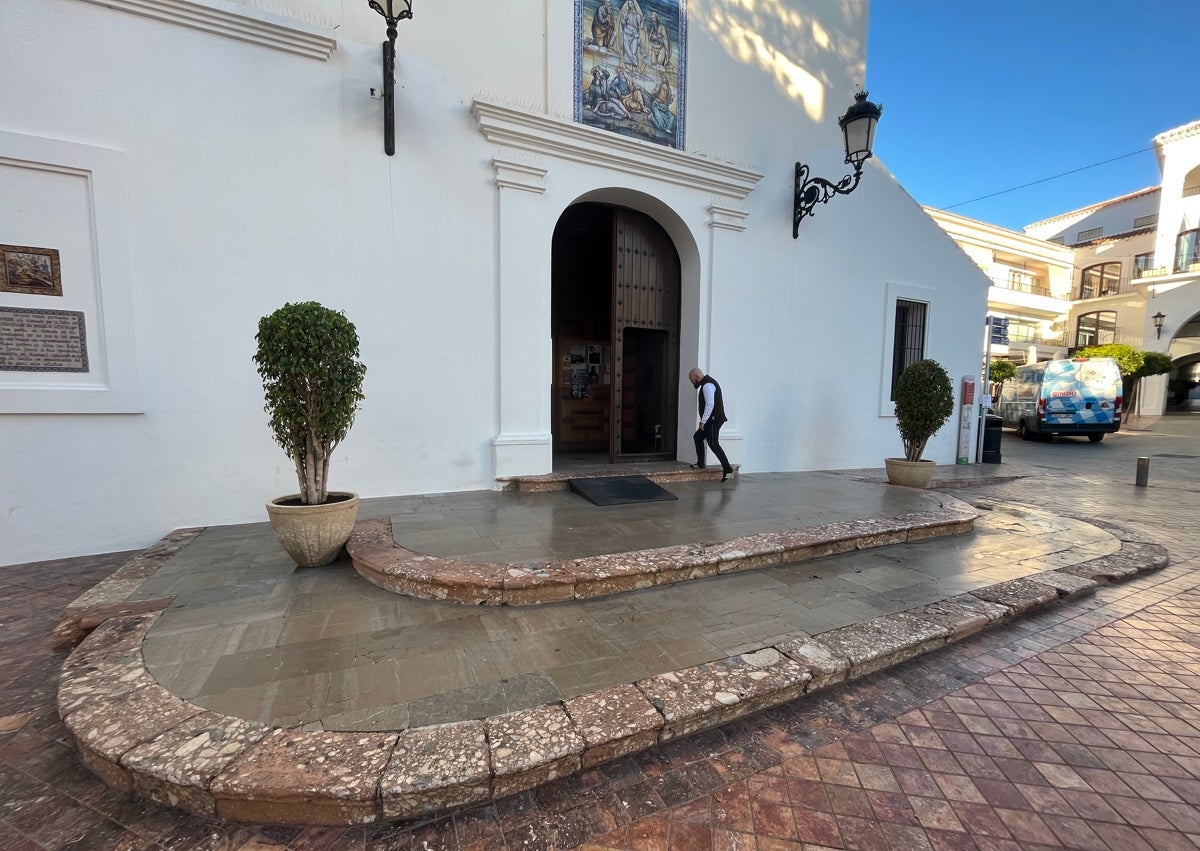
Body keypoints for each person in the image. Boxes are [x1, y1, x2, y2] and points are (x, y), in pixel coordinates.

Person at [688, 367, 733, 481]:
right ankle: (700, 463)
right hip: (711, 420)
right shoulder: (706, 384)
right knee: (697, 437)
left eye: (691, 379)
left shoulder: (707, 385)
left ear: (697, 377)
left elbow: (710, 404)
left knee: (713, 443)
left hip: (713, 420)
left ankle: (728, 469)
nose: (691, 382)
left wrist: (703, 421)